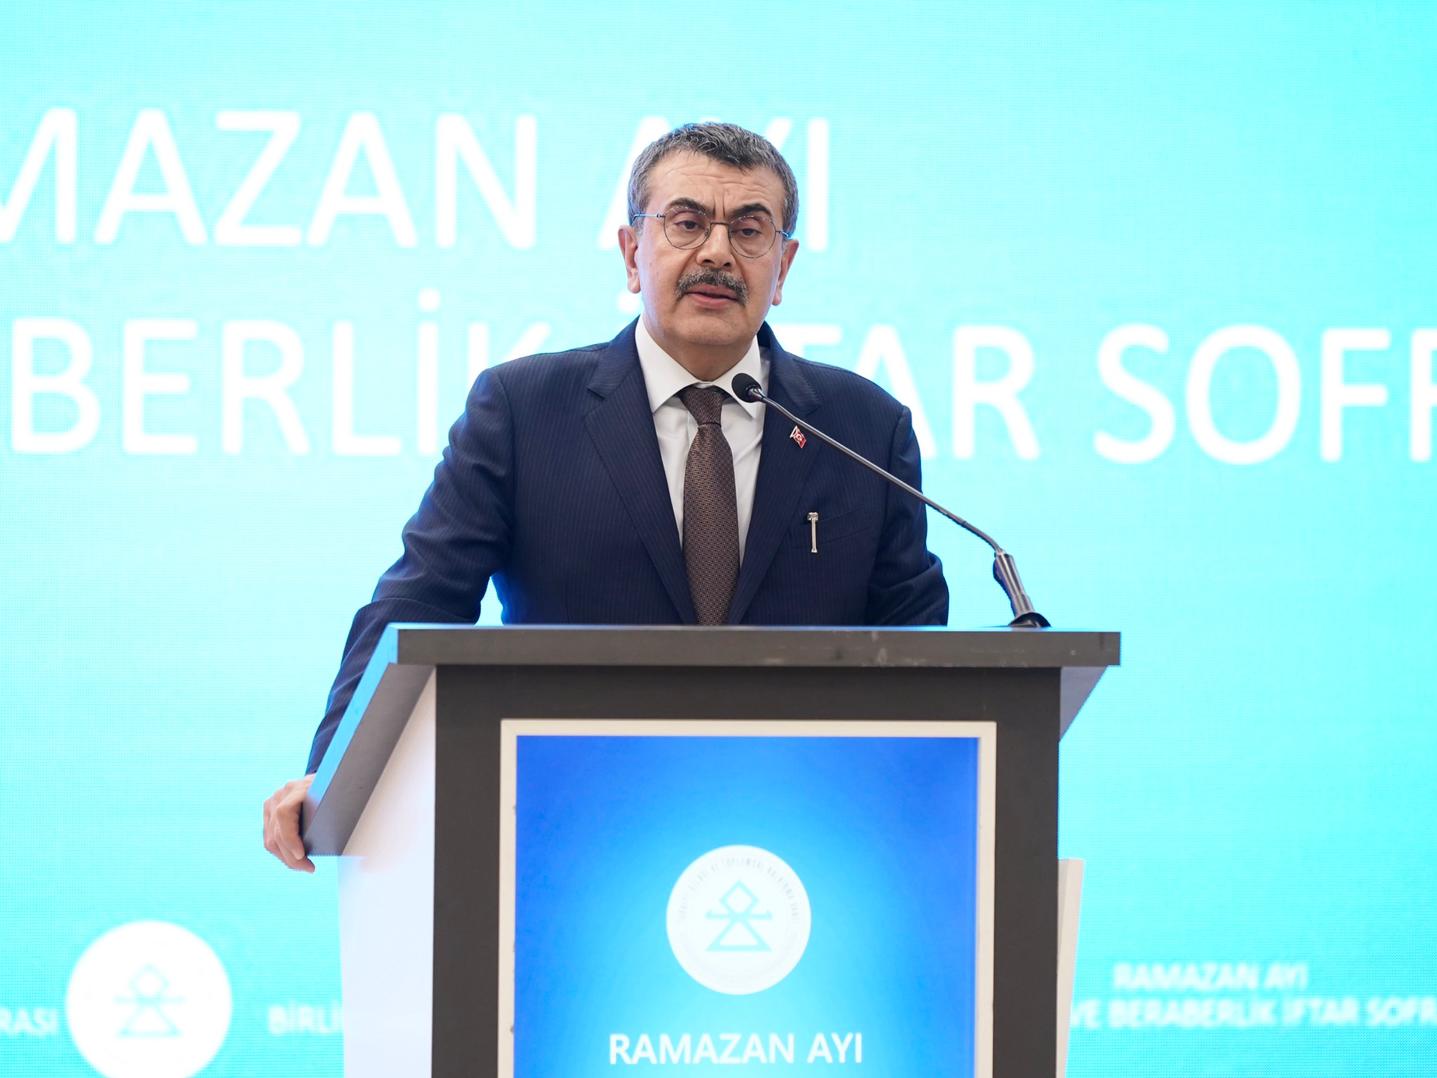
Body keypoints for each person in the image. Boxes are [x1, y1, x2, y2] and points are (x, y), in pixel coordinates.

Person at [263, 122, 948, 871]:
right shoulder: (525, 410)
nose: (717, 252)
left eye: (750, 230)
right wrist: (338, 776)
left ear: (781, 267)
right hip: (571, 827)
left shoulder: (862, 428)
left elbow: (912, 640)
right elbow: (420, 598)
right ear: (631, 253)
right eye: (687, 223)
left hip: (804, 835)